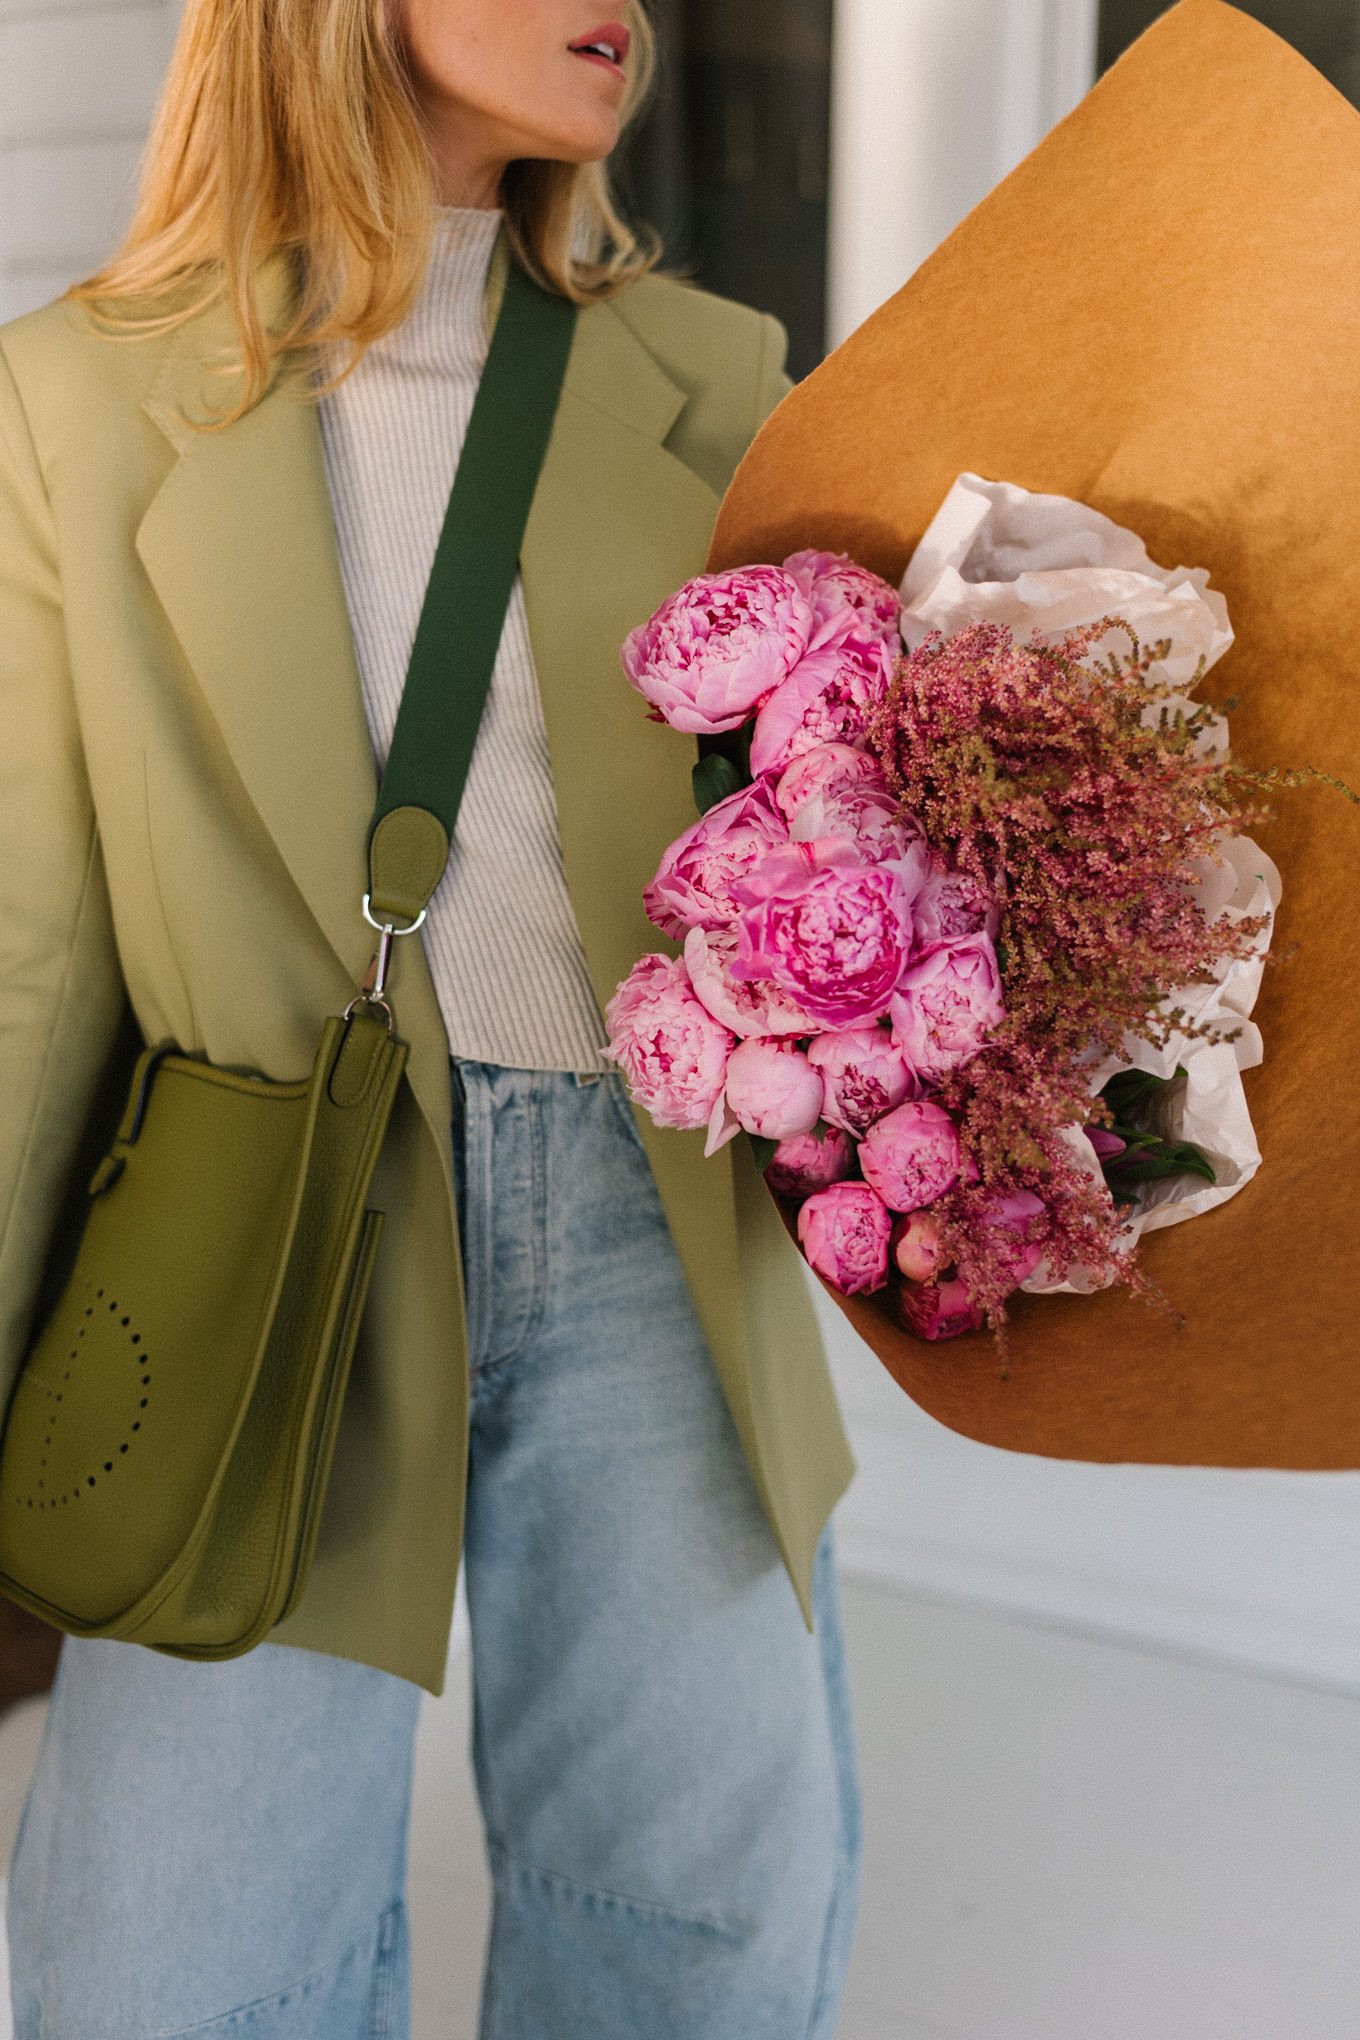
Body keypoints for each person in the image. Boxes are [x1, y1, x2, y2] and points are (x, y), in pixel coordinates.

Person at [0, 0, 862, 2032]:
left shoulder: (721, 382)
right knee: (172, 1965)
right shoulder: (75, 401)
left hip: (658, 1217)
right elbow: (31, 959)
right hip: (265, 1221)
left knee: (686, 1919)